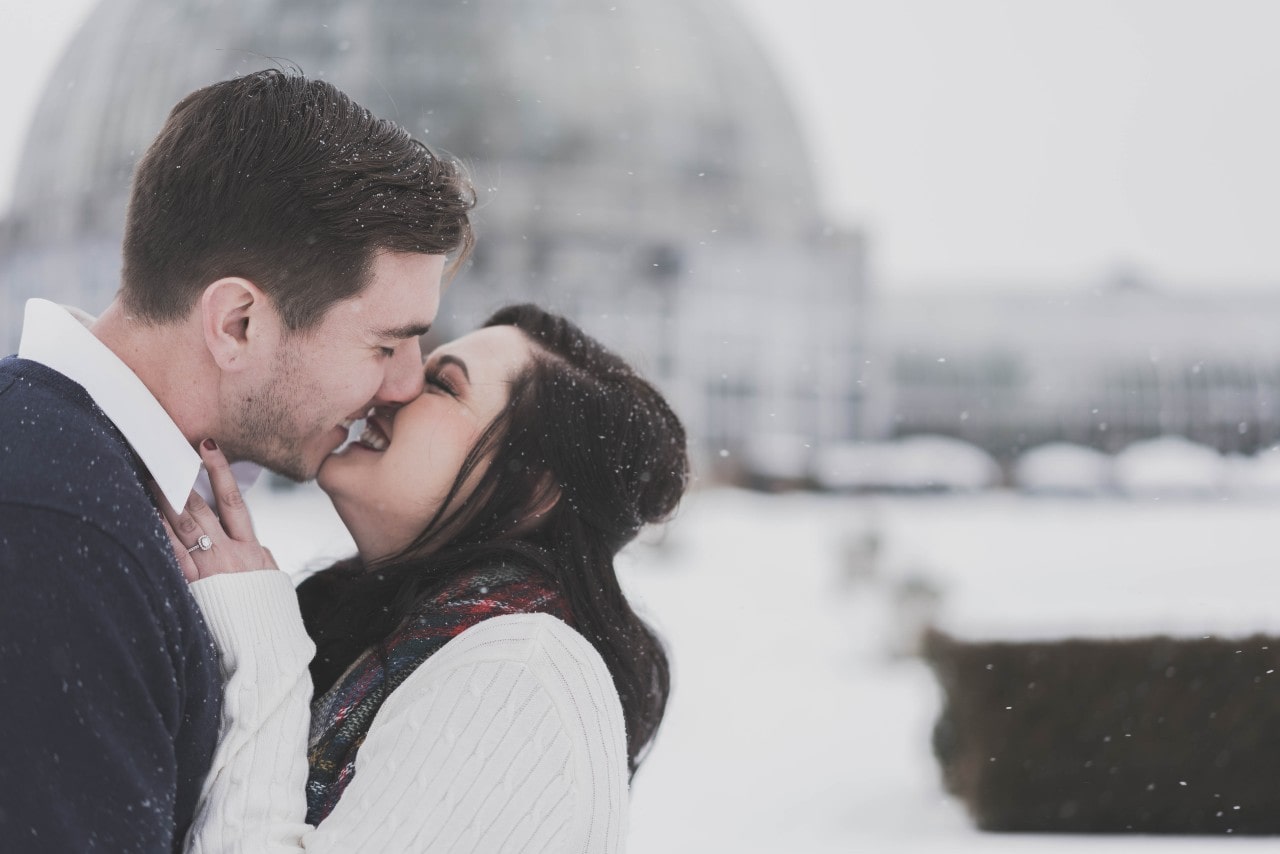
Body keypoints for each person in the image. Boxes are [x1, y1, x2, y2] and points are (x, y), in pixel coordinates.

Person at [0, 69, 474, 852]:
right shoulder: (57, 531)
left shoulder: (84, 490)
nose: (405, 384)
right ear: (239, 323)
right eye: (384, 344)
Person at [162, 304, 687, 852]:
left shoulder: (520, 672)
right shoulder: (400, 636)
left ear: (534, 489)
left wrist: (262, 647)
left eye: (441, 384)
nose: (393, 389)